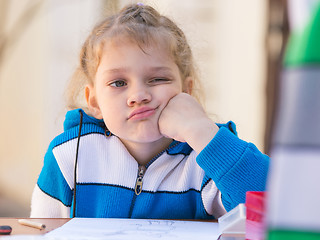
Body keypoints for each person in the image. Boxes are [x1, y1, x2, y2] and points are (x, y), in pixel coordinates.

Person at [30, 3, 269, 219]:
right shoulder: (68, 157)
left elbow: (275, 208)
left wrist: (203, 133)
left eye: (157, 79)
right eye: (119, 83)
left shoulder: (207, 158)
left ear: (186, 91)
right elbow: (42, 232)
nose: (139, 96)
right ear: (93, 101)